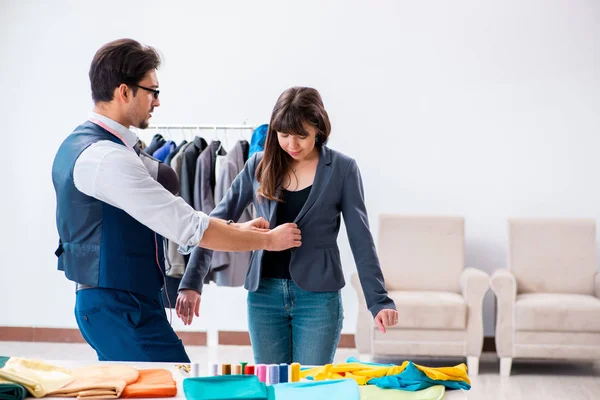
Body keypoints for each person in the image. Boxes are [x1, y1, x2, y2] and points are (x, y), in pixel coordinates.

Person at [51, 39, 301, 363]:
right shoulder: (107, 158)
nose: (157, 102)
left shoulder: (81, 144)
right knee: (172, 382)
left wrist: (240, 230)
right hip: (122, 308)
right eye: (152, 91)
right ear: (124, 92)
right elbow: (190, 227)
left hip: (118, 302)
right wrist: (265, 240)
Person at [177, 87, 399, 365]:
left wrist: (378, 300)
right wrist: (192, 282)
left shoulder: (342, 169)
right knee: (272, 387)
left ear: (318, 128)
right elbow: (215, 222)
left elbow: (361, 239)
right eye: (284, 135)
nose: (292, 144)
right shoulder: (258, 164)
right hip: (264, 296)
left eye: (301, 135)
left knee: (309, 388)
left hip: (318, 298)